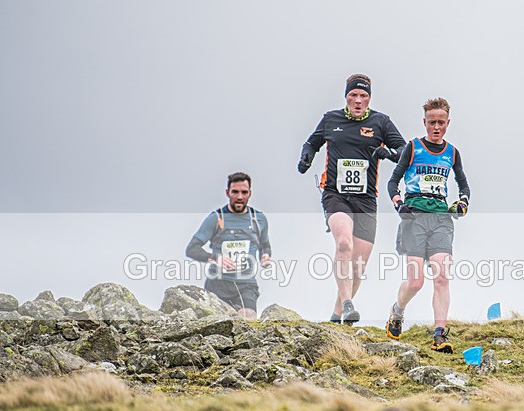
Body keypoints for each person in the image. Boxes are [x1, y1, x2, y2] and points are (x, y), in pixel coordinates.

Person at [297, 74, 406, 324]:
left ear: (369, 98)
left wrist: (387, 153)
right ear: (346, 97)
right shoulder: (330, 119)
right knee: (344, 244)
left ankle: (337, 316)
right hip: (335, 194)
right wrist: (306, 157)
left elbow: (404, 150)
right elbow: (311, 143)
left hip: (366, 199)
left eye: (363, 96)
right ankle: (348, 304)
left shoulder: (381, 122)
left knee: (358, 266)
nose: (358, 101)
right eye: (353, 95)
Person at [385, 98, 471, 353]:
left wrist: (462, 202)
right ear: (424, 122)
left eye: (440, 123)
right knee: (415, 282)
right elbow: (393, 182)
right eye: (432, 122)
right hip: (415, 218)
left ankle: (440, 334)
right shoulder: (412, 148)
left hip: (442, 218)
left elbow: (464, 185)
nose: (436, 127)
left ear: (447, 124)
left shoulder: (452, 153)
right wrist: (399, 203)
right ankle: (397, 312)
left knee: (442, 276)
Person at [186, 172, 271, 319]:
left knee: (247, 322)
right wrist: (215, 257)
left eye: (244, 192)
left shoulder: (259, 219)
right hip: (217, 284)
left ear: (250, 194)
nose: (239, 197)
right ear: (227, 193)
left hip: (246, 285)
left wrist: (265, 256)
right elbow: (192, 249)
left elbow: (265, 245)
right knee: (218, 328)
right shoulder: (216, 218)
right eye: (235, 192)